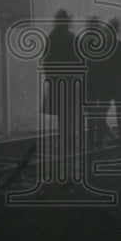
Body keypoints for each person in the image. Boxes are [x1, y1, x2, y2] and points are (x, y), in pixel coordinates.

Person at [42, 9, 78, 144]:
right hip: (71, 79)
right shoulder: (72, 37)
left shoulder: (51, 37)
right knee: (71, 109)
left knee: (61, 110)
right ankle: (71, 136)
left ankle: (64, 136)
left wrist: (50, 76)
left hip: (56, 79)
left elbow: (46, 59)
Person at [83, 17, 115, 149]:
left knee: (91, 115)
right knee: (101, 113)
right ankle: (99, 141)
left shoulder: (84, 41)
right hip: (102, 83)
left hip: (89, 83)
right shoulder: (104, 41)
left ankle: (91, 141)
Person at [104, 17, 121, 143]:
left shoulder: (103, 48)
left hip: (107, 84)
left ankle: (107, 135)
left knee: (102, 111)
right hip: (120, 83)